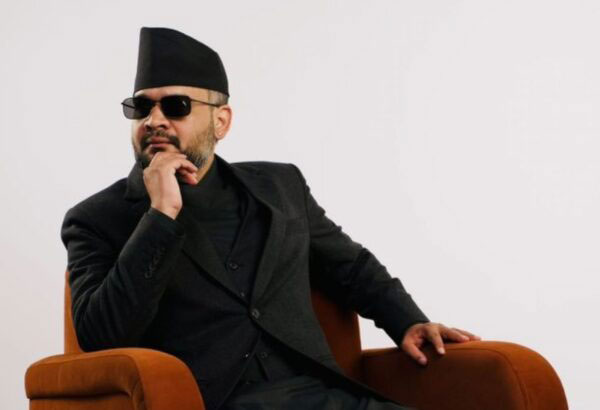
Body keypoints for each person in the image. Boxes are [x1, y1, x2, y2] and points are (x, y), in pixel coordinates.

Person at [61, 27, 481, 410]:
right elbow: (101, 336)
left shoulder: (280, 187)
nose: (154, 121)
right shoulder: (97, 219)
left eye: (176, 106)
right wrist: (160, 215)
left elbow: (349, 266)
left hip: (324, 395)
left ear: (221, 121)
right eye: (141, 108)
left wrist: (407, 321)